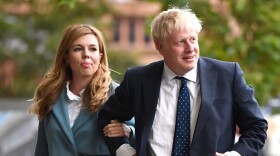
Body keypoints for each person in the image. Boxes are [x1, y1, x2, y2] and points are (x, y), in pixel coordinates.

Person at [97, 7, 268, 156]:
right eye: (180, 42)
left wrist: (235, 154)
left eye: (193, 39)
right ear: (160, 46)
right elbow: (107, 117)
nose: (190, 48)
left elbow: (256, 127)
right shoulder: (138, 79)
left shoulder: (228, 75)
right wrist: (125, 152)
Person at [29, 24, 135, 156]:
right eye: (78, 49)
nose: (86, 55)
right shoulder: (50, 94)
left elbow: (141, 137)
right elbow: (42, 148)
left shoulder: (116, 92)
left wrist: (130, 132)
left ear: (100, 56)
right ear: (66, 57)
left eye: (93, 49)